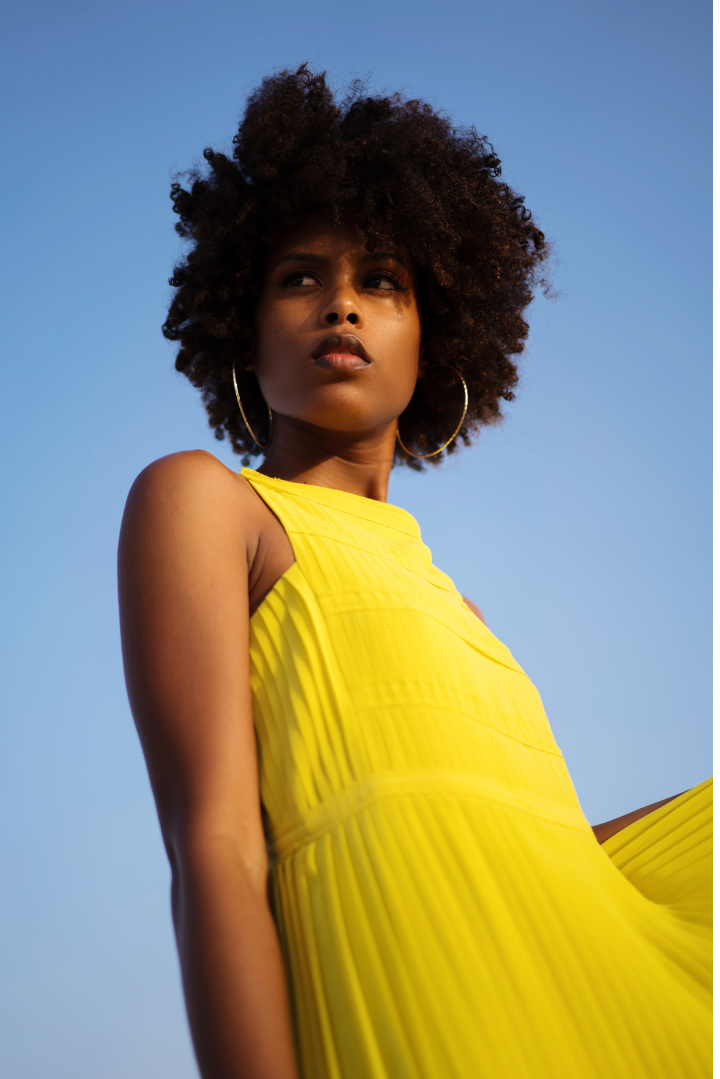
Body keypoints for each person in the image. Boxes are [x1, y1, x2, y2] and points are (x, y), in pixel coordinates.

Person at [117, 66, 711, 1079]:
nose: (341, 302)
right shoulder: (208, 504)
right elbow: (216, 848)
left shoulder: (465, 611)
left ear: (435, 338)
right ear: (242, 334)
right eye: (298, 277)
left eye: (381, 280)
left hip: (575, 991)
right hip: (415, 998)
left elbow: (533, 841)